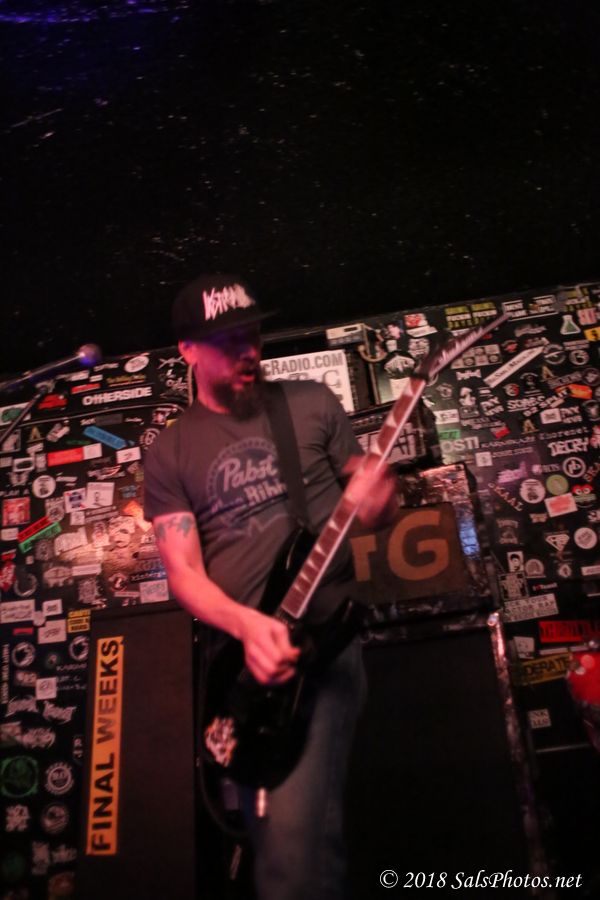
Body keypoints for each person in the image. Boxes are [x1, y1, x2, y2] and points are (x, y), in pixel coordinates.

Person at [143, 274, 397, 900]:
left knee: (291, 856)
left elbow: (374, 504)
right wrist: (247, 627)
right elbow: (184, 574)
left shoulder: (310, 403)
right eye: (228, 340)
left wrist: (381, 496)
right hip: (241, 663)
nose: (249, 349)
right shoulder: (170, 452)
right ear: (187, 350)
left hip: (320, 646)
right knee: (278, 845)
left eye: (253, 333)